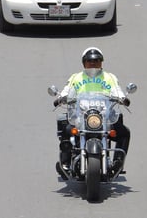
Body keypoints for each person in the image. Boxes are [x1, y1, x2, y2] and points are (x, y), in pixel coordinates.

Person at [53, 47, 131, 176]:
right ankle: (65, 163)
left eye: (97, 60)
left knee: (124, 132)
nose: (93, 63)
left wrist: (122, 98)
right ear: (84, 62)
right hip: (81, 115)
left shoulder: (109, 77)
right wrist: (61, 97)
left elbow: (117, 90)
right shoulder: (76, 77)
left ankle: (118, 162)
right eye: (90, 61)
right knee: (67, 130)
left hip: (104, 116)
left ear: (101, 62)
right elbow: (67, 90)